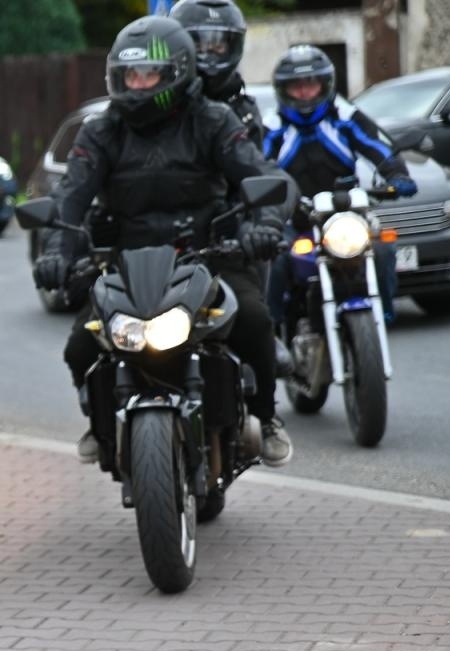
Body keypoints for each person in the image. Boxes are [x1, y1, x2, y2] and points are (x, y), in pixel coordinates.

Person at [32, 16, 294, 468]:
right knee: (80, 344)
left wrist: (263, 225)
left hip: (209, 255)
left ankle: (267, 418)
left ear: (177, 72)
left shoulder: (213, 120)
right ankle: (99, 421)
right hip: (126, 261)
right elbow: (70, 197)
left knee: (253, 319)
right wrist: (56, 252)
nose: (137, 86)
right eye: (129, 75)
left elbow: (262, 177)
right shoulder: (101, 130)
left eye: (148, 74)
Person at [263, 45, 417, 325]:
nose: (304, 93)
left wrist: (398, 175)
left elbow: (377, 146)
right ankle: (272, 337)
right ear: (283, 90)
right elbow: (255, 166)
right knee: (275, 260)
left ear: (325, 85)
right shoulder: (273, 127)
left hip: (346, 215)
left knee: (382, 249)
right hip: (296, 220)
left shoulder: (343, 116)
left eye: (311, 84)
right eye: (296, 86)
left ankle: (381, 314)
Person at [171, 0, 263, 147]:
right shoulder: (166, 103)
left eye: (218, 46)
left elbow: (255, 166)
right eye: (200, 46)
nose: (210, 56)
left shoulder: (244, 110)